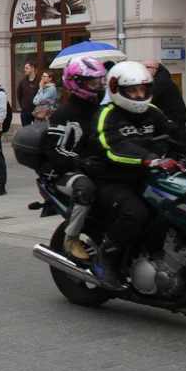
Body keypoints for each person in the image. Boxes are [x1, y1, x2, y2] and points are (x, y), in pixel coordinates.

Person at [85, 61, 186, 286]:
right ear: (116, 89)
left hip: (147, 176)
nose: (139, 95)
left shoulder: (152, 112)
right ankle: (106, 255)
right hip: (112, 179)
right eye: (133, 90)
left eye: (143, 90)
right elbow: (112, 147)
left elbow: (174, 130)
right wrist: (150, 159)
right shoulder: (107, 115)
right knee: (136, 214)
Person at [41, 56, 107, 259]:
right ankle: (70, 238)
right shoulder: (64, 114)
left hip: (96, 167)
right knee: (85, 189)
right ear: (76, 83)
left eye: (99, 82)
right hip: (64, 171)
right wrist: (79, 161)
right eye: (92, 82)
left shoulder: (102, 110)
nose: (98, 87)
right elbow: (52, 149)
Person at [141, 59, 186, 125]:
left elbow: (149, 98)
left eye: (145, 68)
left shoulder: (161, 82)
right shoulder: (159, 80)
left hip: (172, 119)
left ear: (153, 69)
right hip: (171, 117)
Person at [16, 62, 41, 127]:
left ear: (32, 69)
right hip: (25, 112)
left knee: (37, 131)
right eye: (25, 68)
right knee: (26, 131)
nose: (24, 69)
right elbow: (19, 95)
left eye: (27, 68)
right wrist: (23, 106)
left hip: (37, 111)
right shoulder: (22, 82)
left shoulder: (39, 81)